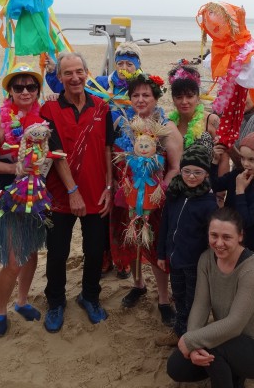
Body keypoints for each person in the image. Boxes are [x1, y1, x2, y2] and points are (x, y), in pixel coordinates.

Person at [166, 208, 254, 388]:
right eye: (214, 235)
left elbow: (235, 323)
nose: (219, 243)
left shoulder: (252, 270)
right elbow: (200, 305)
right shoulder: (206, 259)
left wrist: (190, 340)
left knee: (213, 346)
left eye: (227, 237)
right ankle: (233, 372)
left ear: (240, 236)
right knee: (176, 367)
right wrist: (193, 344)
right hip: (232, 339)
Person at [39, 52, 113, 333]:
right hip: (60, 194)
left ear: (86, 72)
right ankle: (56, 301)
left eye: (79, 71)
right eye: (68, 73)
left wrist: (109, 187)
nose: (75, 77)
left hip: (96, 192)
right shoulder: (49, 110)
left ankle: (90, 297)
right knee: (58, 252)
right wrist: (72, 191)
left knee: (95, 251)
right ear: (59, 77)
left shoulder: (101, 107)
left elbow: (107, 148)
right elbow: (56, 153)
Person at [0, 65, 47, 337]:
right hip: (7, 197)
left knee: (31, 253)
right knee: (13, 260)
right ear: (10, 91)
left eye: (31, 86)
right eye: (19, 87)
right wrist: (13, 168)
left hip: (36, 196)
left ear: (38, 90)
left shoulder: (43, 119)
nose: (26, 91)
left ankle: (22, 300)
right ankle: (0, 309)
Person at [113, 73, 183, 325]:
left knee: (155, 247)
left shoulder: (167, 127)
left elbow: (175, 167)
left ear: (156, 98)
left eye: (146, 95)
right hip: (128, 196)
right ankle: (138, 284)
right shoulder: (124, 124)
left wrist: (159, 191)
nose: (140, 99)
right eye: (135, 95)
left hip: (155, 198)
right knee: (131, 241)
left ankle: (163, 298)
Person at [155, 143, 218, 347]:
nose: (191, 176)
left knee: (194, 301)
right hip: (175, 259)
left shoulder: (209, 203)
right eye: (186, 171)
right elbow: (165, 224)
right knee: (179, 296)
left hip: (194, 264)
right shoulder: (174, 193)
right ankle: (180, 331)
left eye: (197, 172)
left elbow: (211, 240)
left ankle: (192, 336)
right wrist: (162, 254)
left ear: (206, 173)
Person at [211, 131, 254, 256]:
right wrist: (215, 162)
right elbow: (214, 185)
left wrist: (240, 190)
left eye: (251, 159)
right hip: (226, 237)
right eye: (242, 158)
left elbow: (246, 222)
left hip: (247, 246)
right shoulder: (238, 173)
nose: (245, 164)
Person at [168, 65, 219, 151]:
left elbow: (223, 155)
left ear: (198, 98)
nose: (184, 102)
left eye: (189, 96)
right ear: (173, 99)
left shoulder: (211, 120)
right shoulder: (169, 124)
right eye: (179, 97)